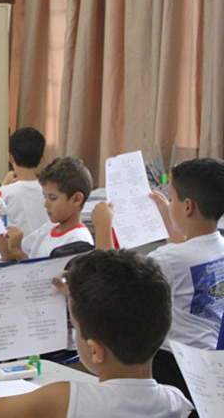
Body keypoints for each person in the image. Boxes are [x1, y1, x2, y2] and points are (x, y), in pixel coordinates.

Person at [0, 249, 193, 418]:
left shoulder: (65, 400)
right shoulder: (178, 403)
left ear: (96, 351)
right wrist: (78, 296)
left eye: (75, 325)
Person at [92, 157, 224, 403]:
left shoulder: (169, 259)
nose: (169, 202)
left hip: (173, 365)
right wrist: (168, 217)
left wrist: (103, 225)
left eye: (172, 198)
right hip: (209, 364)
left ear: (188, 207)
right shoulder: (217, 247)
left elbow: (112, 285)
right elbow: (188, 256)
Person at [0, 157, 94, 262]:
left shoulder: (78, 242)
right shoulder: (48, 229)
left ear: (76, 199)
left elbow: (39, 276)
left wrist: (18, 252)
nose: (45, 204)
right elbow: (8, 255)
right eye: (45, 197)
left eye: (53, 198)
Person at [0, 127, 49, 235]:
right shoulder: (49, 190)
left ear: (10, 157)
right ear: (42, 159)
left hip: (16, 248)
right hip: (45, 249)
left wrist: (4, 184)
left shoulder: (6, 191)